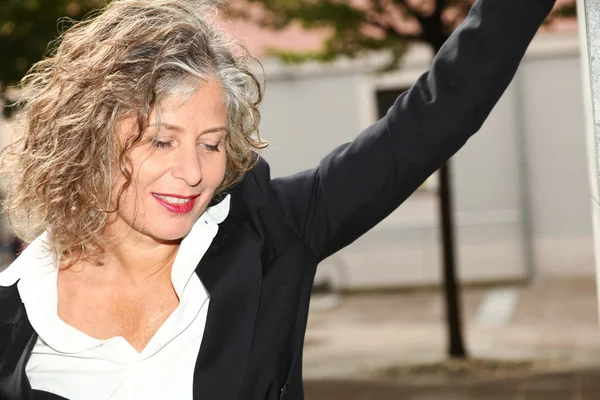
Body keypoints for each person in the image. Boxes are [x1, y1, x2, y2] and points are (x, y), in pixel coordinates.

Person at [0, 0, 557, 399]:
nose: (192, 171)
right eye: (161, 140)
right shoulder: (14, 312)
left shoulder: (273, 233)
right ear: (91, 138)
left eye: (211, 143)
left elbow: (433, 119)